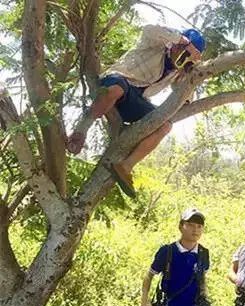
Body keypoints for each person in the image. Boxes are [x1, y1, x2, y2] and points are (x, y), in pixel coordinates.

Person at [67, 26, 206, 196]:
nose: (183, 56)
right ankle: (81, 130)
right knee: (117, 89)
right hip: (118, 81)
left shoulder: (177, 72)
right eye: (184, 50)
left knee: (165, 125)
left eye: (189, 55)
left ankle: (125, 167)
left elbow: (185, 99)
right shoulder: (156, 44)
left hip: (135, 99)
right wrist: (181, 40)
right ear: (178, 44)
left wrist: (191, 72)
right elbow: (149, 29)